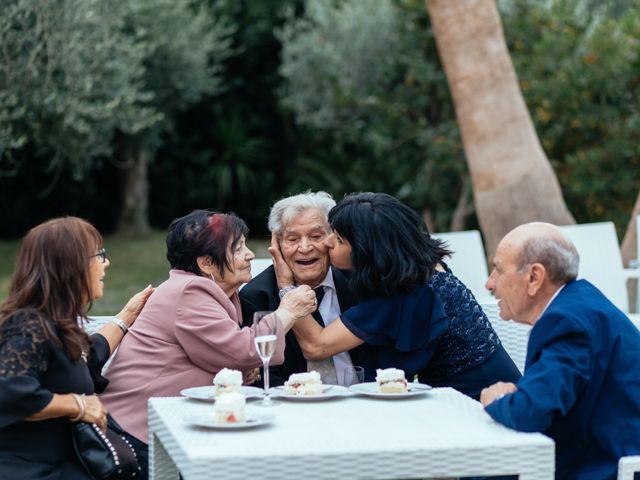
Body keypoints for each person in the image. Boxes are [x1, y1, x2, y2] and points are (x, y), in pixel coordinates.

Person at [100, 210, 315, 474]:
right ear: (207, 264)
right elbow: (244, 350)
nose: (249, 254)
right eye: (238, 249)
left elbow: (219, 354)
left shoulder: (211, 291)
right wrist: (288, 311)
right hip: (135, 435)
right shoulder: (191, 291)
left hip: (167, 427)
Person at [286, 192, 521, 399]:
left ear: (365, 250)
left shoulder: (400, 291)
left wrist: (285, 283)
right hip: (502, 388)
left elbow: (316, 346)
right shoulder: (422, 267)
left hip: (482, 407)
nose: (326, 243)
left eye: (337, 239)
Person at [480, 222, 640, 480]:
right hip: (599, 456)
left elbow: (530, 412)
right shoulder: (577, 304)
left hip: (606, 469)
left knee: (482, 471)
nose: (490, 283)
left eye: (498, 270)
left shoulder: (566, 323)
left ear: (534, 277)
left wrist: (496, 398)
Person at [0, 216, 153, 480]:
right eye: (99, 255)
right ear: (71, 265)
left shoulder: (54, 322)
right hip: (30, 471)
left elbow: (87, 357)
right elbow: (9, 391)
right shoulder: (29, 324)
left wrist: (126, 317)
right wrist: (77, 405)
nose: (107, 263)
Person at [240, 191, 369, 386]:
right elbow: (262, 375)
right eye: (292, 239)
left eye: (316, 236)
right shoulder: (256, 296)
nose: (305, 247)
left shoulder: (359, 281)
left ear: (333, 238)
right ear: (278, 245)